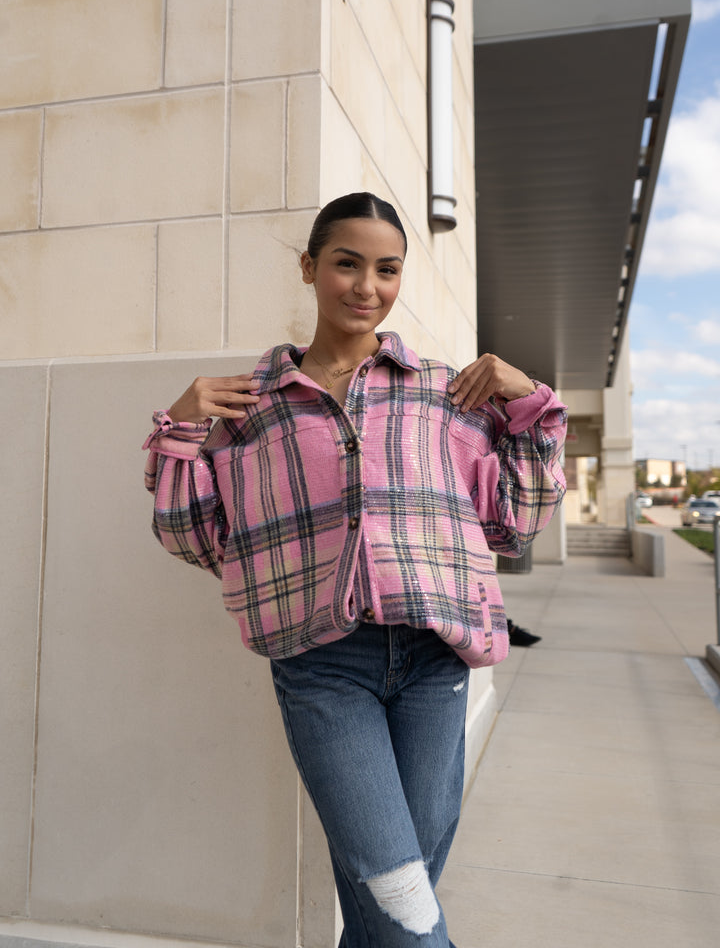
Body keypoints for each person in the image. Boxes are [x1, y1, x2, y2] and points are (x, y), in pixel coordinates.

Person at [143, 192, 567, 948]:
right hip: (322, 665)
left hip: (437, 661)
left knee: (387, 907)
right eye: (346, 263)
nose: (366, 286)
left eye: (387, 269)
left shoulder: (444, 394)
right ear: (310, 268)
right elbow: (194, 538)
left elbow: (514, 522)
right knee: (405, 910)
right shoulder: (252, 408)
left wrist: (531, 406)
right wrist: (179, 433)